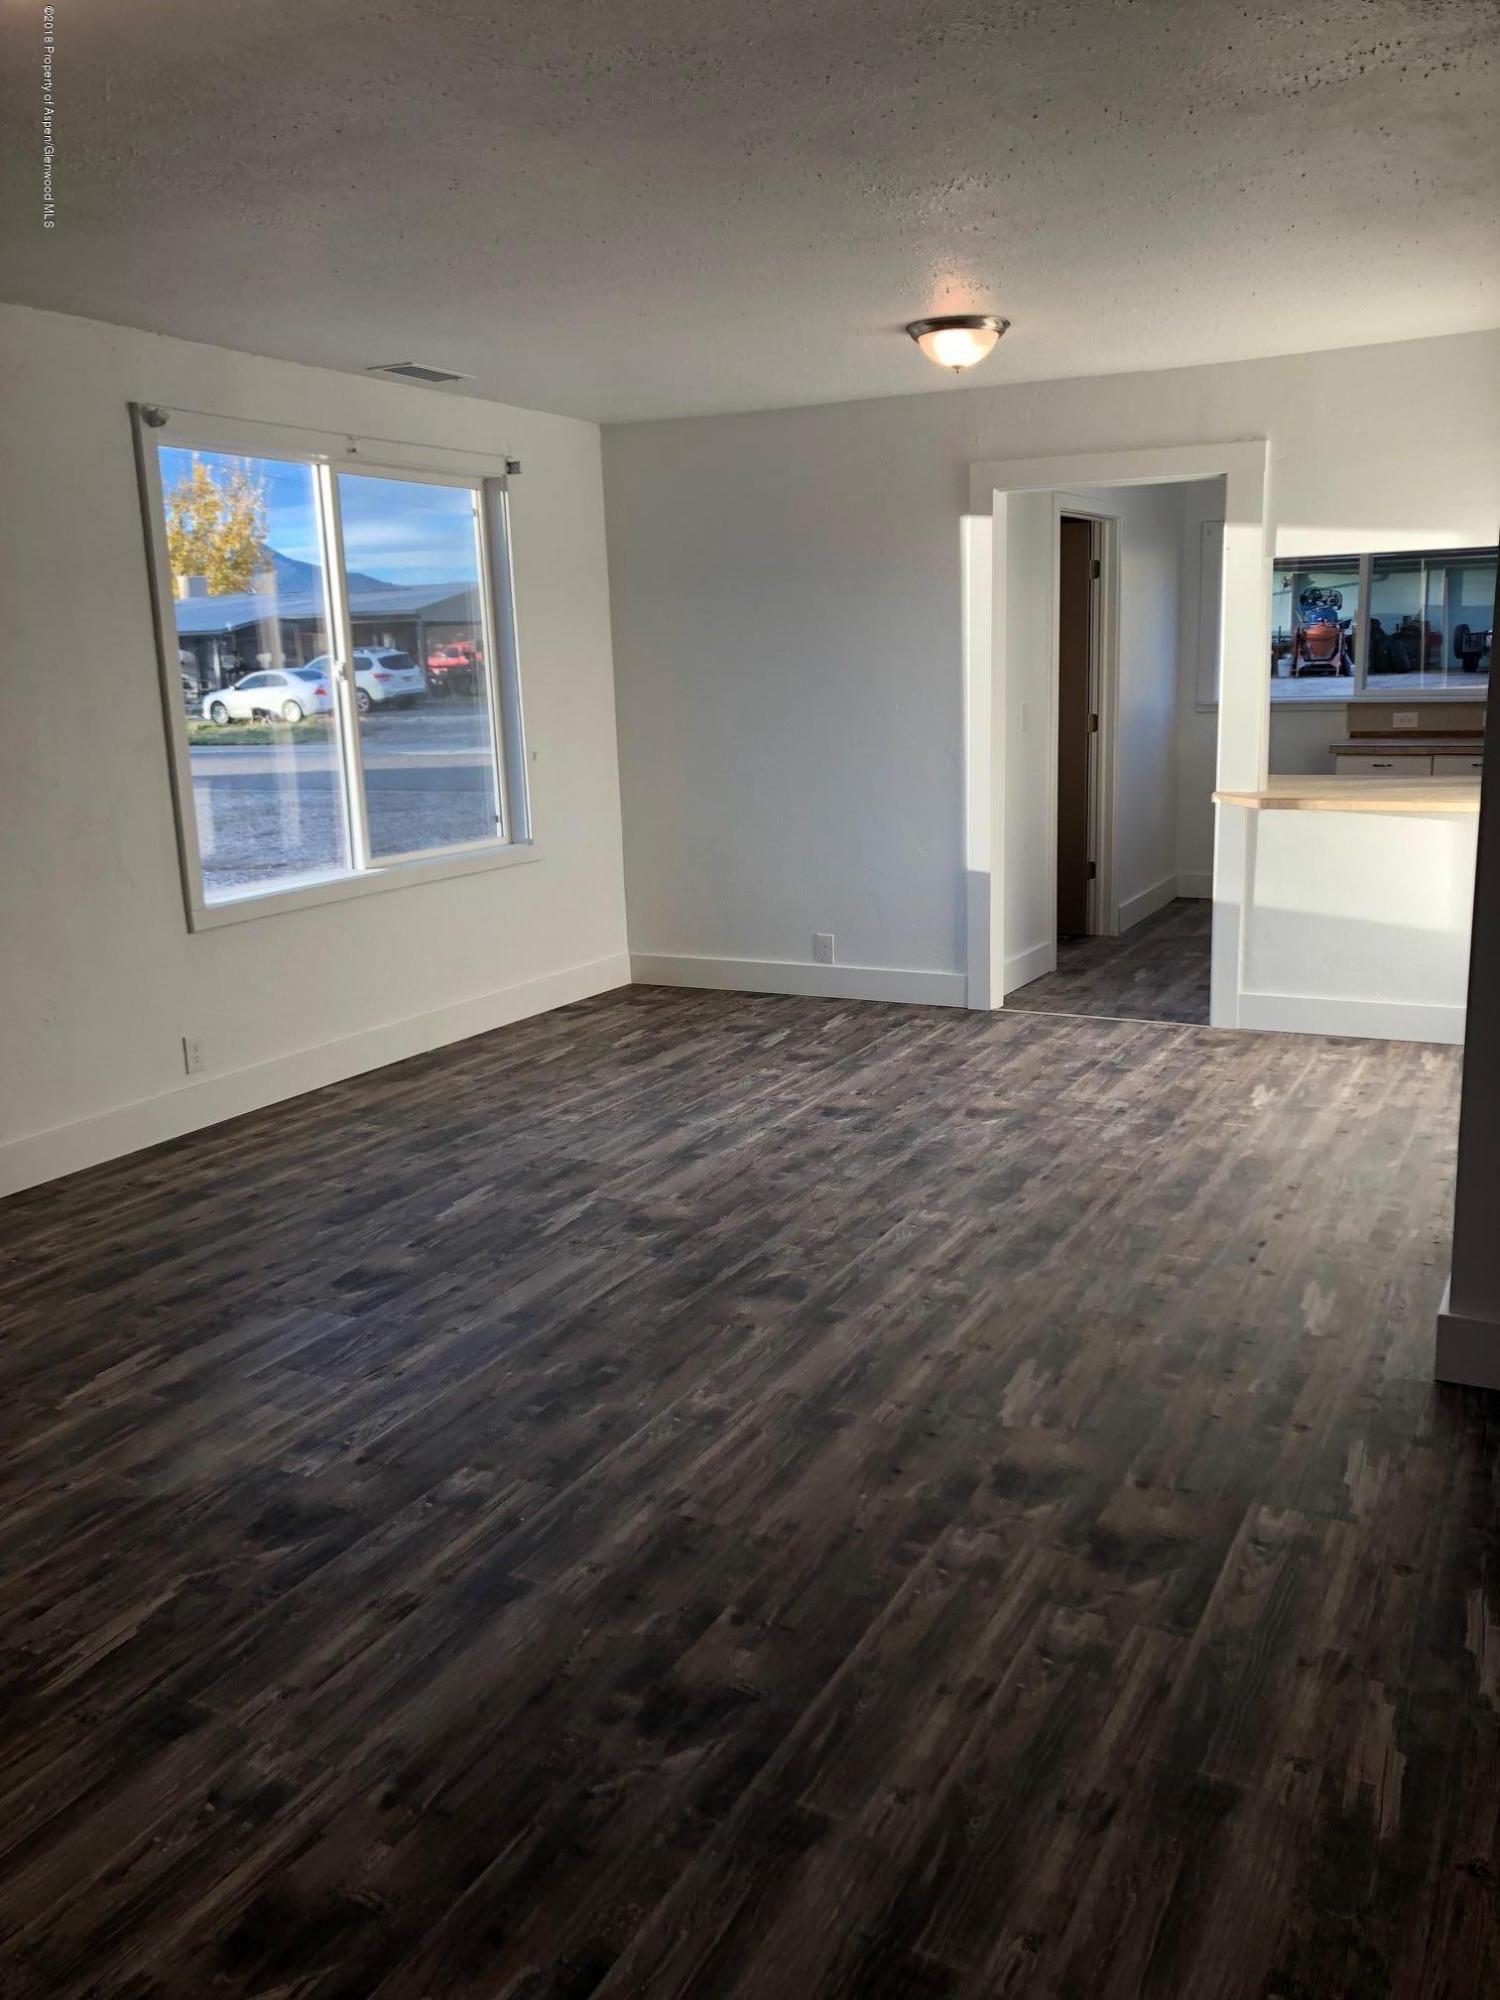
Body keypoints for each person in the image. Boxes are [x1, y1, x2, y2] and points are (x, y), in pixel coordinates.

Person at [1290, 586, 1351, 676]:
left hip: (1321, 630)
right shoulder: (1309, 611)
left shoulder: (1325, 611)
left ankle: (1335, 662)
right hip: (1319, 630)